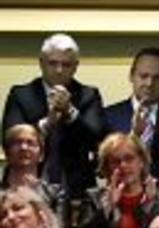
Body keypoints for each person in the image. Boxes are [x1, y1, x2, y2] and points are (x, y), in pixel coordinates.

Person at [2, 35, 106, 195]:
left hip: (76, 187)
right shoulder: (21, 94)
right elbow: (10, 140)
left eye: (66, 65)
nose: (59, 70)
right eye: (53, 63)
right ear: (41, 63)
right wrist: (47, 124)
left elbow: (96, 138)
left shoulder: (88, 95)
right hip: (25, 184)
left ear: (75, 67)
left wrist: (70, 112)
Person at [71, 133, 159, 228]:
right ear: (106, 168)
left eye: (129, 159)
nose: (123, 165)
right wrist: (107, 209)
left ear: (141, 162)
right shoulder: (94, 198)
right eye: (115, 161)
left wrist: (151, 204)